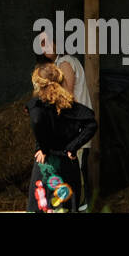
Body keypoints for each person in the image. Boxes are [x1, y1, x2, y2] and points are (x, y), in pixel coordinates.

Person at [26, 63, 96, 213]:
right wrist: (73, 147)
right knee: (64, 208)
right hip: (67, 164)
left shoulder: (39, 105)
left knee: (45, 207)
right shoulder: (70, 105)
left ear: (38, 84)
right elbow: (91, 123)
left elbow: (37, 120)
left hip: (47, 164)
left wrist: (43, 148)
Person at [37, 26, 94, 205]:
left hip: (77, 128)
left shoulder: (65, 63)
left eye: (46, 42)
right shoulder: (61, 62)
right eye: (40, 43)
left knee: (77, 170)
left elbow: (66, 95)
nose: (42, 46)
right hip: (76, 127)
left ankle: (81, 205)